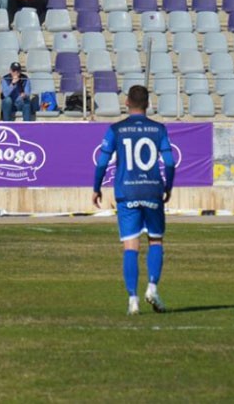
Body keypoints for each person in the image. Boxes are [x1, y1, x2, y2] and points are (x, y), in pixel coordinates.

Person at [93, 85, 175, 315]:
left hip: (126, 192)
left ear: (127, 102)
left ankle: (133, 299)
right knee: (155, 241)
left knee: (131, 245)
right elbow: (169, 162)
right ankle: (152, 287)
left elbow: (102, 162)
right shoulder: (159, 129)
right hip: (151, 190)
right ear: (148, 104)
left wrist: (96, 187)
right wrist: (168, 186)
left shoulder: (116, 129)